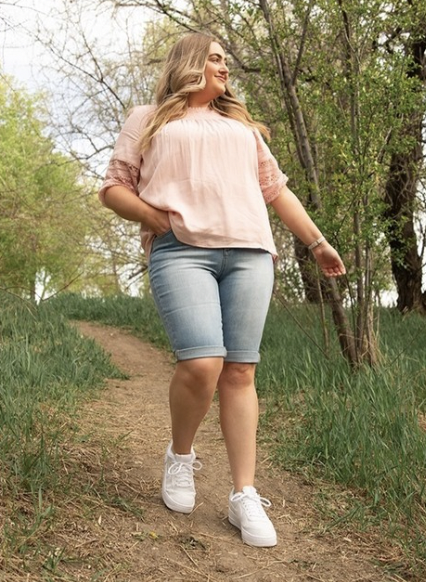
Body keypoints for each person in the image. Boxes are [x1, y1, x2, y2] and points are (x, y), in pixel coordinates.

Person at [98, 32, 346, 548]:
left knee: (240, 369)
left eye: (225, 61)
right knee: (202, 363)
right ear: (189, 63)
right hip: (182, 252)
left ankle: (244, 494)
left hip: (251, 254)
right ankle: (181, 458)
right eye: (214, 58)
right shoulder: (148, 118)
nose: (224, 67)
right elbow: (114, 186)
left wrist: (317, 242)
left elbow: (276, 190)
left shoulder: (240, 126)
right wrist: (154, 219)